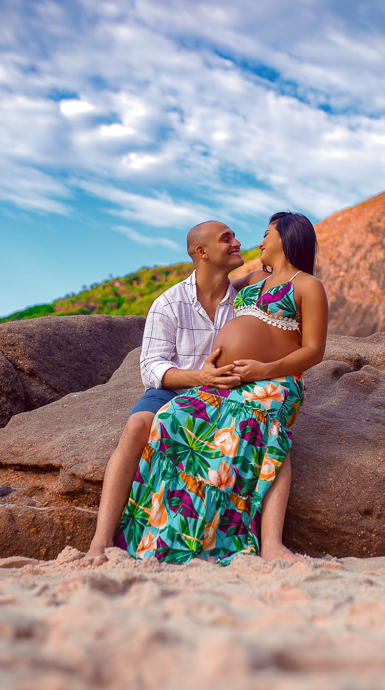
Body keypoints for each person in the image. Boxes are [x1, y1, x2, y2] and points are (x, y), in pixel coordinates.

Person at [113, 212, 328, 564]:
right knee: (170, 420)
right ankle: (165, 532)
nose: (258, 241)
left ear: (288, 238)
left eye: (268, 234)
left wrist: (264, 368)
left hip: (273, 382)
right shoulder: (251, 280)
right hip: (229, 382)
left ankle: (268, 542)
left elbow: (314, 351)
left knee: (259, 427)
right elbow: (212, 285)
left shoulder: (307, 286)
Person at [84, 220, 246, 563]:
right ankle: (100, 541)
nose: (237, 243)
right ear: (201, 252)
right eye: (226, 238)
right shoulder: (168, 303)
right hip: (174, 390)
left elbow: (273, 266)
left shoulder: (245, 302)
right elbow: (152, 367)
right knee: (136, 426)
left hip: (223, 394)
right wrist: (200, 377)